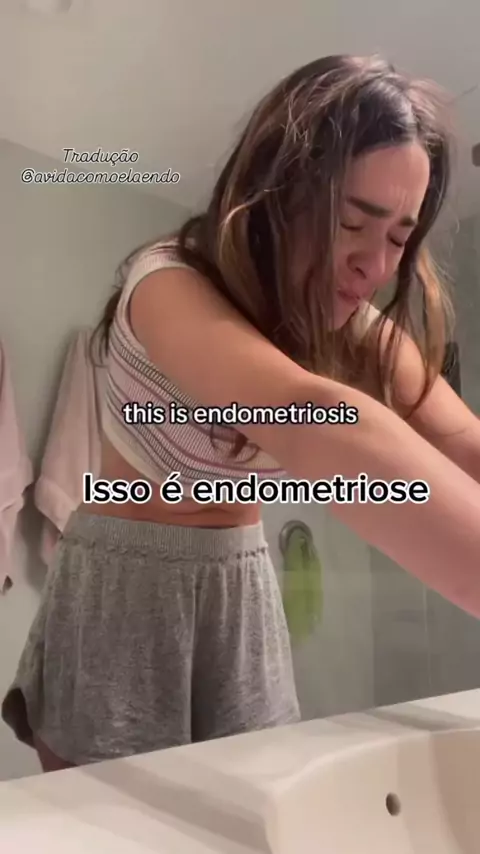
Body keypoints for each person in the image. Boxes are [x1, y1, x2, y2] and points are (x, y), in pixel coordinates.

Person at [4, 53, 480, 773]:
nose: (377, 266)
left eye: (398, 237)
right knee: (110, 814)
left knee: (254, 802)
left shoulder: (349, 326)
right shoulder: (166, 284)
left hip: (242, 581)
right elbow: (315, 415)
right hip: (127, 585)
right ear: (275, 194)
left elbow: (459, 436)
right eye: (353, 221)